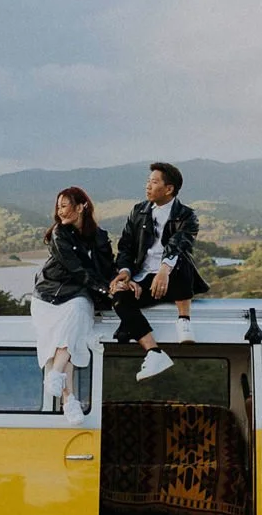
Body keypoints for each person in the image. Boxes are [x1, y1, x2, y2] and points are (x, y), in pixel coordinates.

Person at [108, 161, 208, 379]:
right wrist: (125, 272)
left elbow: (180, 243)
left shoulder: (187, 215)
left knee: (180, 261)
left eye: (154, 182)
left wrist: (164, 270)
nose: (148, 186)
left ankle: (184, 319)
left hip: (174, 278)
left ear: (169, 188)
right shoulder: (139, 211)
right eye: (148, 181)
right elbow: (125, 246)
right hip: (145, 278)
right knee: (119, 297)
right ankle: (154, 352)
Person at [29, 187, 112, 421]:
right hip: (47, 295)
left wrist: (118, 282)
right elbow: (77, 270)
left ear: (81, 206)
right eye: (58, 206)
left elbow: (107, 268)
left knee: (75, 315)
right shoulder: (59, 234)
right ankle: (68, 396)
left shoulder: (100, 237)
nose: (60, 211)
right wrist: (106, 289)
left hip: (77, 294)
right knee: (68, 336)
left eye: (64, 205)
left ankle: (62, 387)